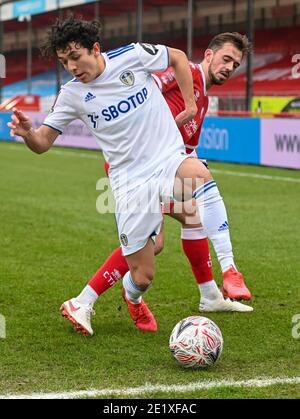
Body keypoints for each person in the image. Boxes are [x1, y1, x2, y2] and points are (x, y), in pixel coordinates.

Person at [8, 17, 251, 337]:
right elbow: (42, 143)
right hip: (129, 183)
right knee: (143, 273)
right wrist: (28, 135)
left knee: (199, 178)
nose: (71, 66)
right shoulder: (71, 95)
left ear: (95, 49)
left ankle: (229, 270)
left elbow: (177, 57)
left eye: (75, 56)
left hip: (167, 159)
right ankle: (125, 297)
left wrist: (190, 104)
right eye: (64, 60)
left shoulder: (133, 56)